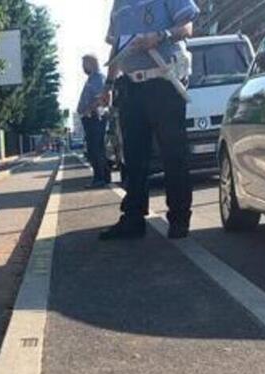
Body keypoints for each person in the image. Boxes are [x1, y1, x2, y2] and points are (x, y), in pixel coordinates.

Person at [99, 0, 199, 240]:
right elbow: (116, 46)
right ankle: (133, 218)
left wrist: (161, 36)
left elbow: (187, 27)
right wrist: (109, 83)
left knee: (173, 154)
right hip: (131, 85)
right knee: (133, 158)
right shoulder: (119, 4)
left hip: (164, 82)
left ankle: (179, 219)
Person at [77, 54, 110, 188]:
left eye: (84, 64)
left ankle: (99, 178)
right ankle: (103, 176)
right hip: (92, 118)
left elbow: (101, 98)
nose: (83, 68)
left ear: (91, 63)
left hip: (95, 117)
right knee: (96, 149)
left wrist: (88, 110)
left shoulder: (97, 78)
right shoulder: (92, 78)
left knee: (95, 149)